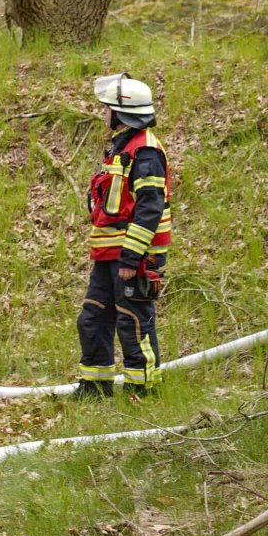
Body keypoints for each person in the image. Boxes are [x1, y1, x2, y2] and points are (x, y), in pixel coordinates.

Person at [76, 73, 172, 398]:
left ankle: (142, 391)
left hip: (133, 257)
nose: (103, 113)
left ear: (121, 112)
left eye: (107, 108)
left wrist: (132, 258)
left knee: (132, 322)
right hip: (107, 255)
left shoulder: (145, 153)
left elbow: (149, 210)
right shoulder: (122, 147)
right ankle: (95, 386)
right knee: (93, 318)